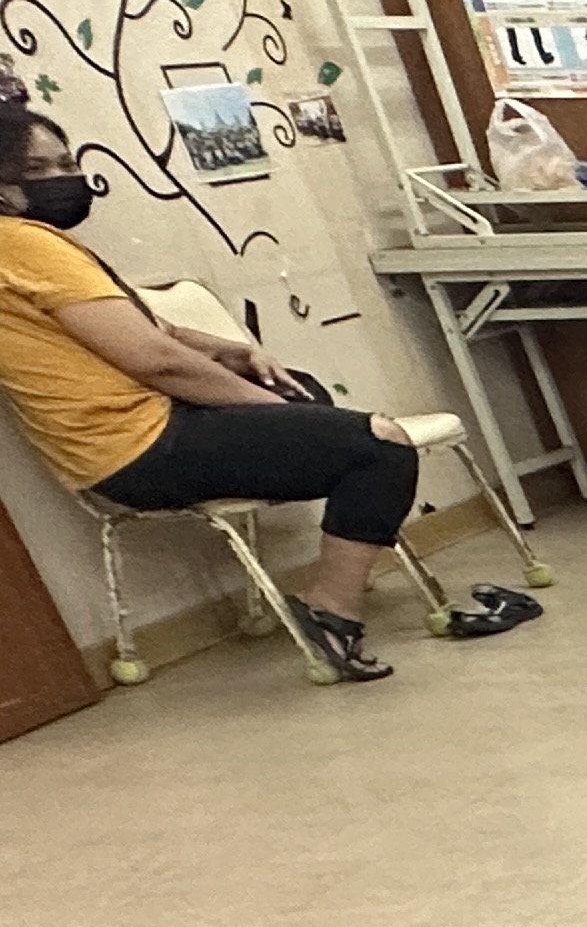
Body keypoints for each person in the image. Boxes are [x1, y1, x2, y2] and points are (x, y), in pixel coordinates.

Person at [0, 95, 538, 681]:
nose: (65, 179)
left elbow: (150, 329)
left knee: (313, 400)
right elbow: (156, 361)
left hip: (131, 437)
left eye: (66, 162)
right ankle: (332, 612)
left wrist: (233, 350)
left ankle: (339, 586)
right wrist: (267, 405)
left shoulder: (31, 242)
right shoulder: (23, 244)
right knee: (379, 444)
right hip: (138, 444)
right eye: (37, 171)